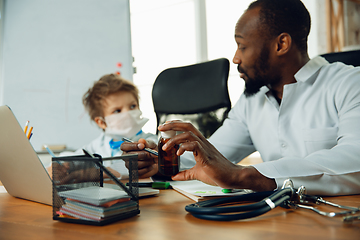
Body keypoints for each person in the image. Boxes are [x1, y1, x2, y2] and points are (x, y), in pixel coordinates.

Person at [120, 0, 360, 195]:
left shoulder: (349, 83)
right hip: (276, 220)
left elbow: (354, 159)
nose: (235, 58)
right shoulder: (252, 101)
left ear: (282, 44)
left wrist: (245, 175)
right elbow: (214, 159)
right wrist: (161, 160)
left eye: (242, 46)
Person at [48, 74, 157, 182]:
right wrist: (64, 165)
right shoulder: (99, 144)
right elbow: (74, 156)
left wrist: (95, 173)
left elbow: (131, 167)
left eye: (132, 106)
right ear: (101, 122)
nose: (128, 114)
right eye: (117, 111)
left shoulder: (149, 141)